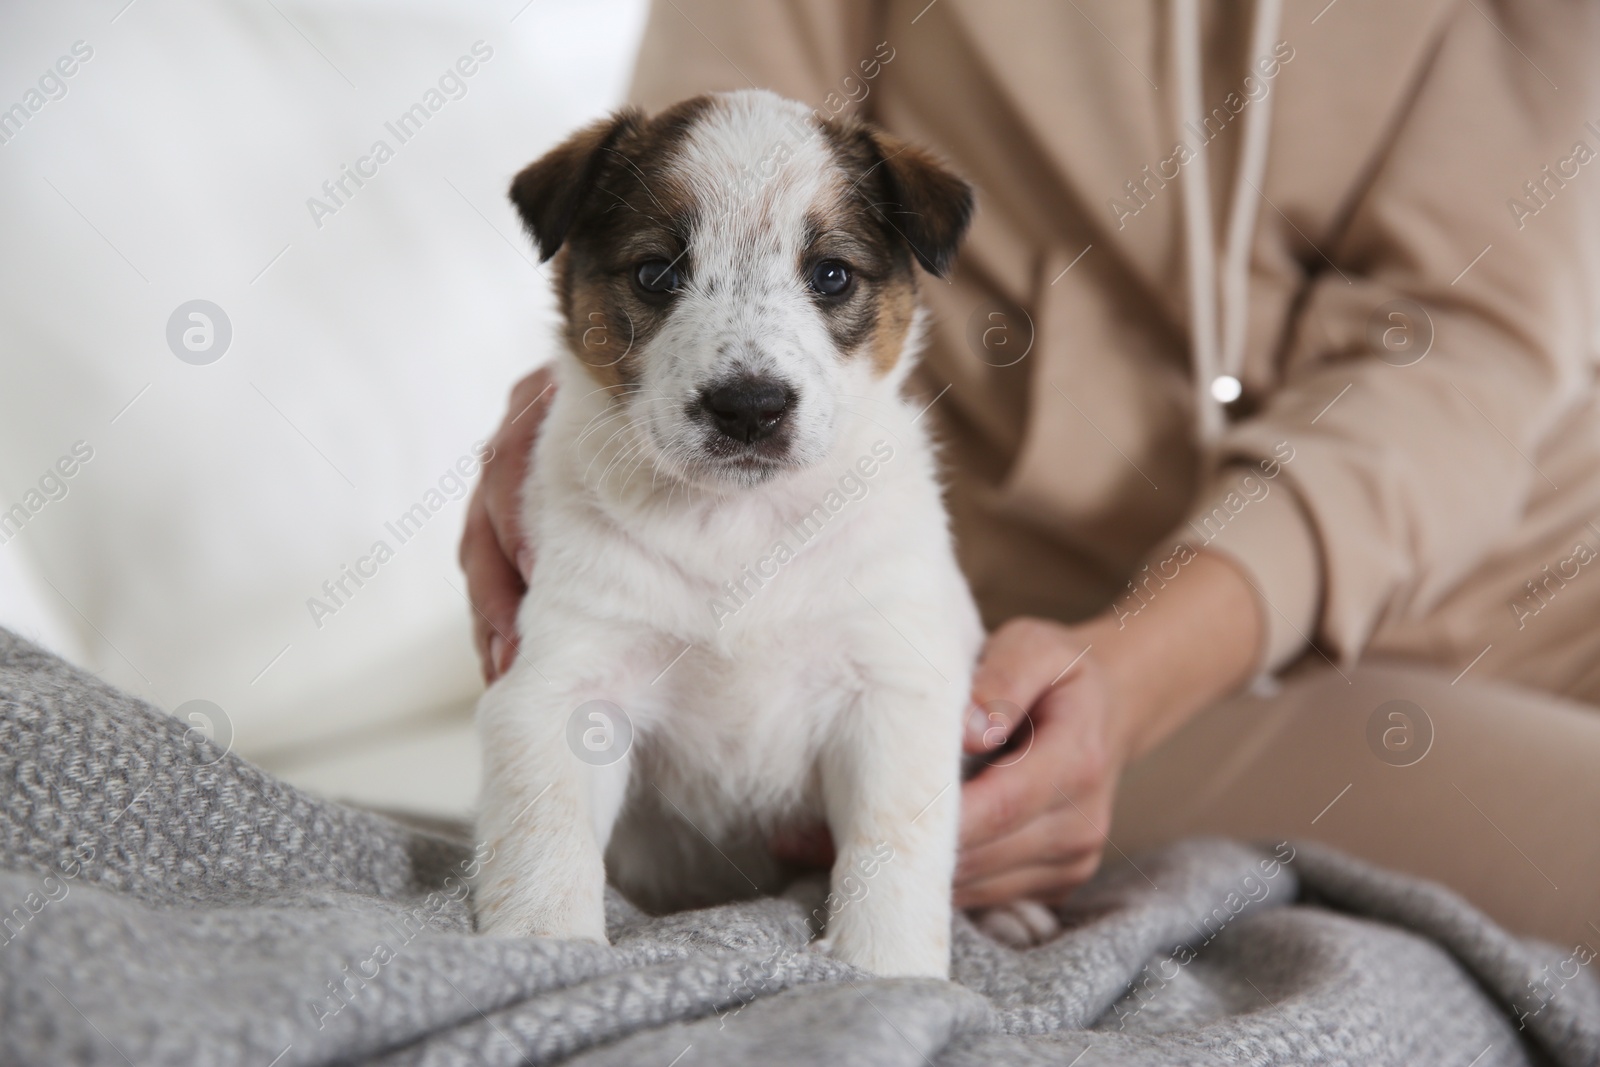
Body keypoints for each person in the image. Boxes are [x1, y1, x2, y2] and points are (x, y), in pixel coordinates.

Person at [461, 0, 1600, 946]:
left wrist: (1141, 669)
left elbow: (1464, 340)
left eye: (828, 277)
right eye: (659, 275)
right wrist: (575, 410)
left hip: (1522, 558)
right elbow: (722, 136)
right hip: (1070, 628)